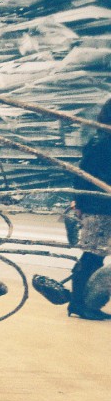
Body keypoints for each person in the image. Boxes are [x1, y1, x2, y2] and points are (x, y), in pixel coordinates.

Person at [68, 96, 111, 320]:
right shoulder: (102, 141)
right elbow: (84, 175)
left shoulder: (104, 139)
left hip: (102, 205)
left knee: (95, 255)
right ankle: (79, 304)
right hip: (99, 206)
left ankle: (85, 303)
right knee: (93, 255)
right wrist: (81, 202)